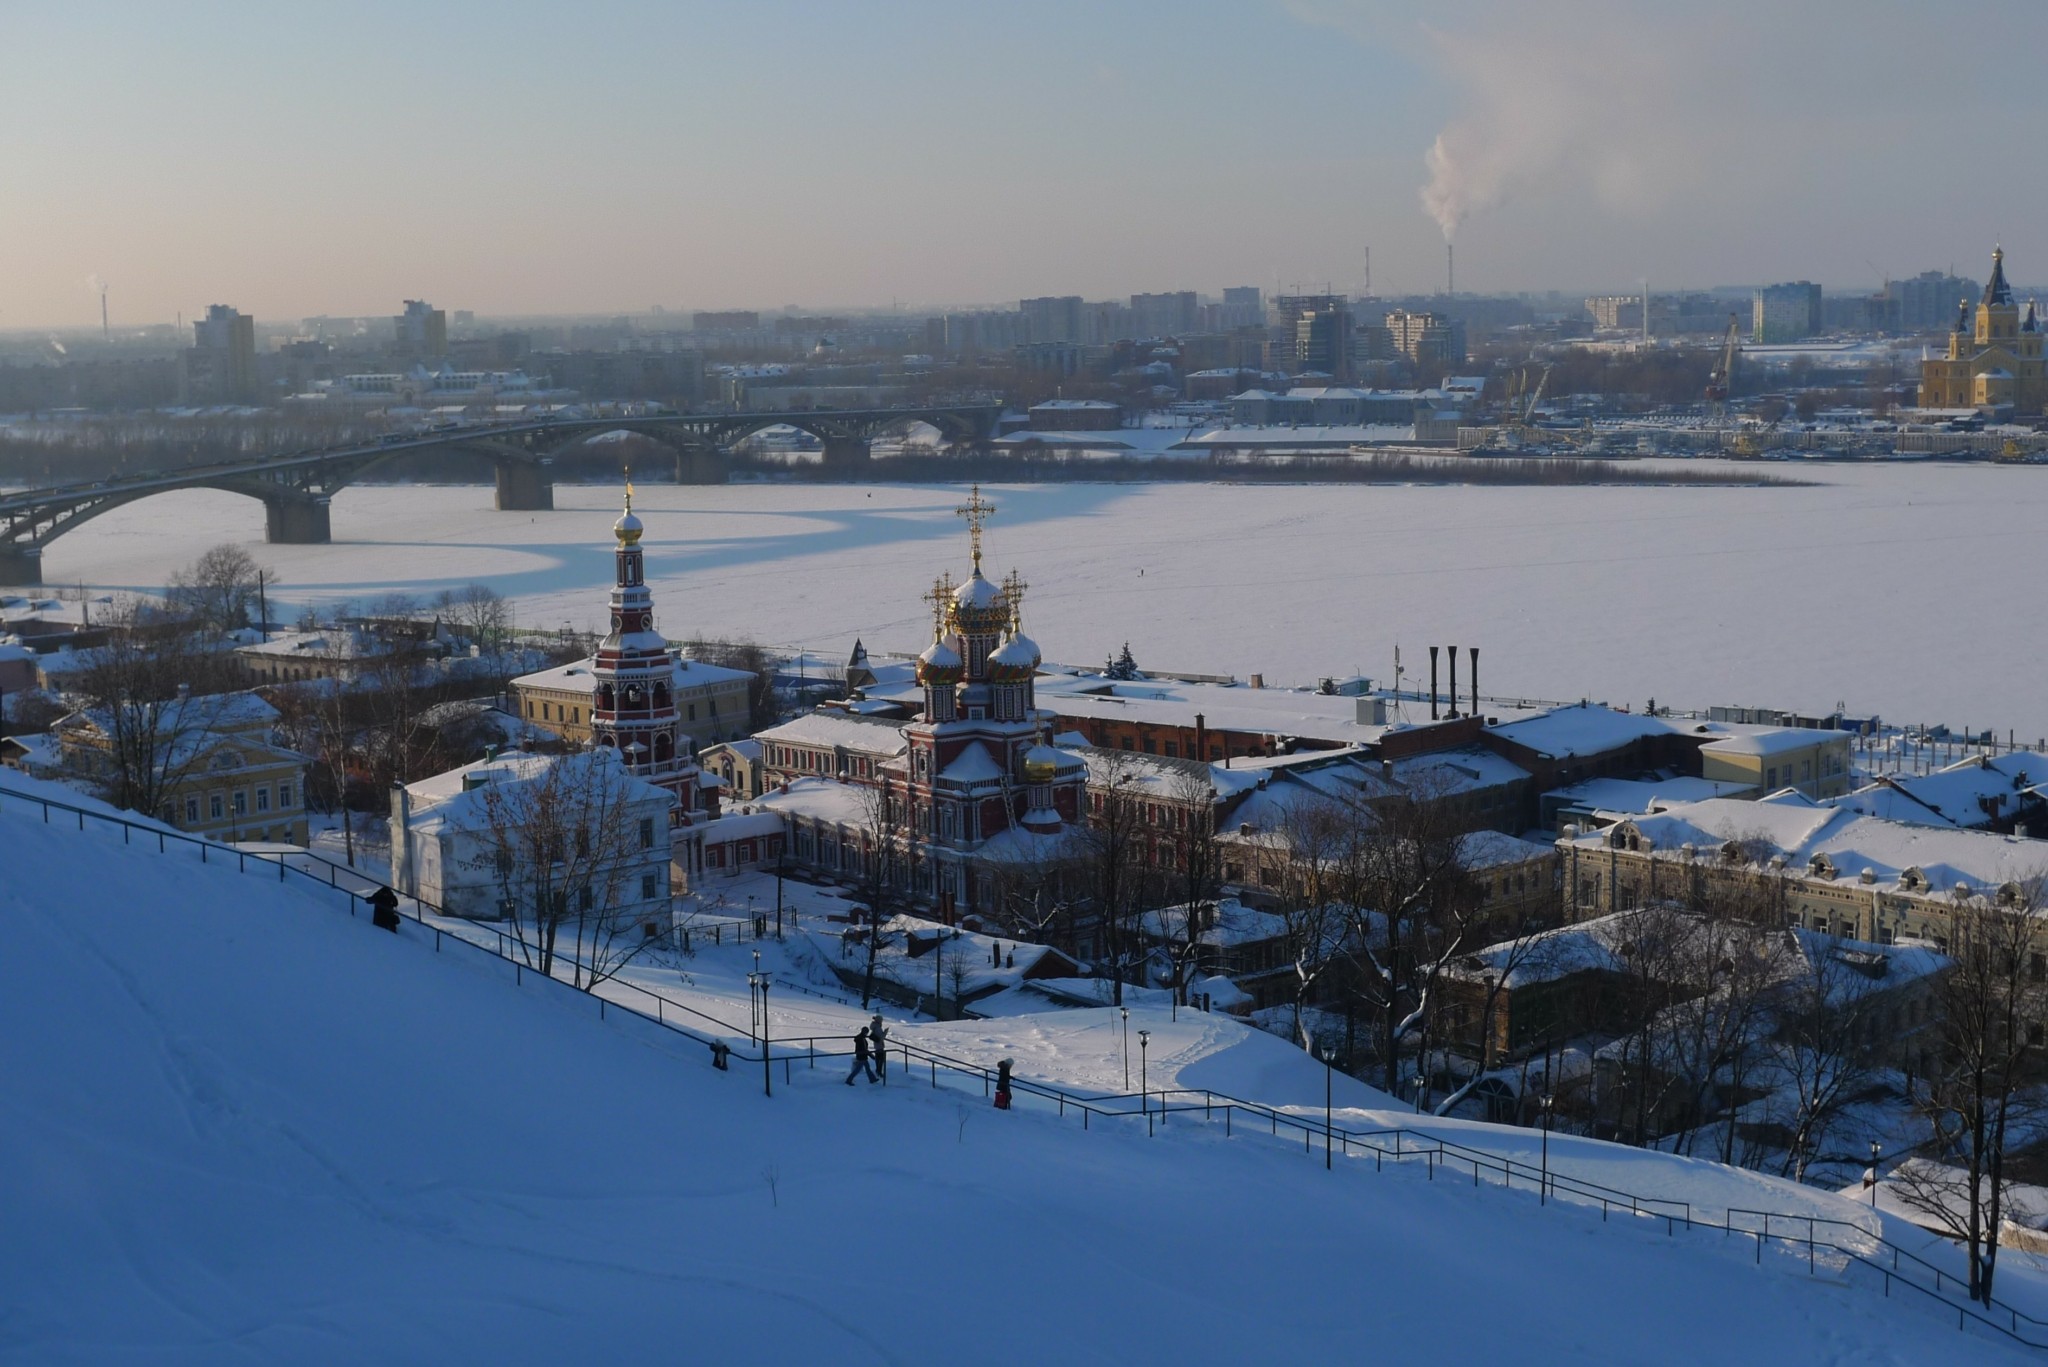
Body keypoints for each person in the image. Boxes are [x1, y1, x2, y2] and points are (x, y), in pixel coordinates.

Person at [869, 1014, 889, 1082]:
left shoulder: (875, 1026)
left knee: (878, 1059)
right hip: (879, 1045)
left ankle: (878, 1070)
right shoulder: (878, 1027)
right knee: (881, 1059)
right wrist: (885, 1032)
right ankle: (879, 1071)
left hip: (877, 1045)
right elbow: (881, 1037)